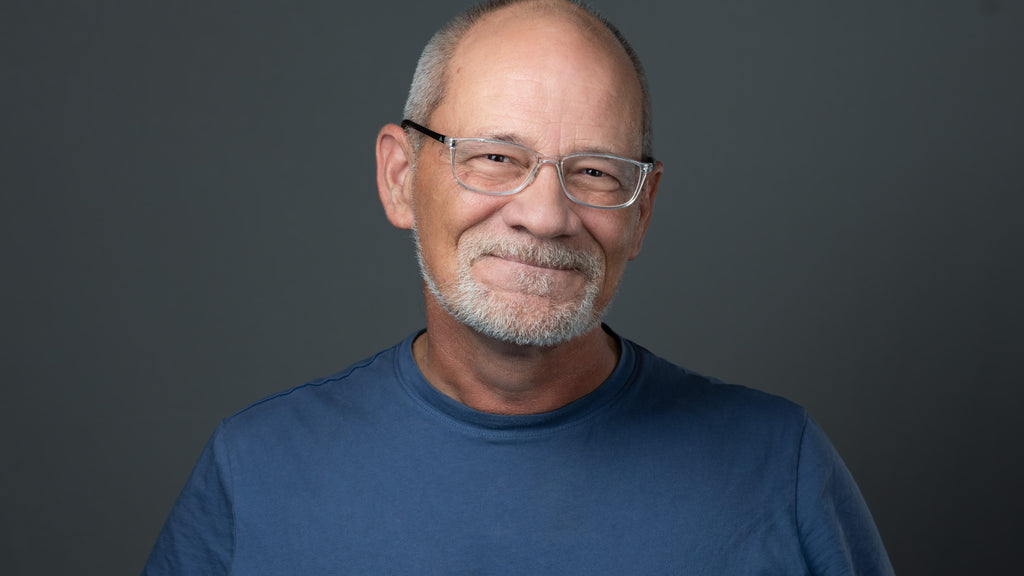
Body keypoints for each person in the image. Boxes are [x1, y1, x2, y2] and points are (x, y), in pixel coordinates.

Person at [143, 0, 894, 574]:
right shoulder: (259, 469)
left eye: (595, 171)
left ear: (642, 211)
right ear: (400, 177)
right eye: (496, 157)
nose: (545, 215)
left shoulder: (777, 468)